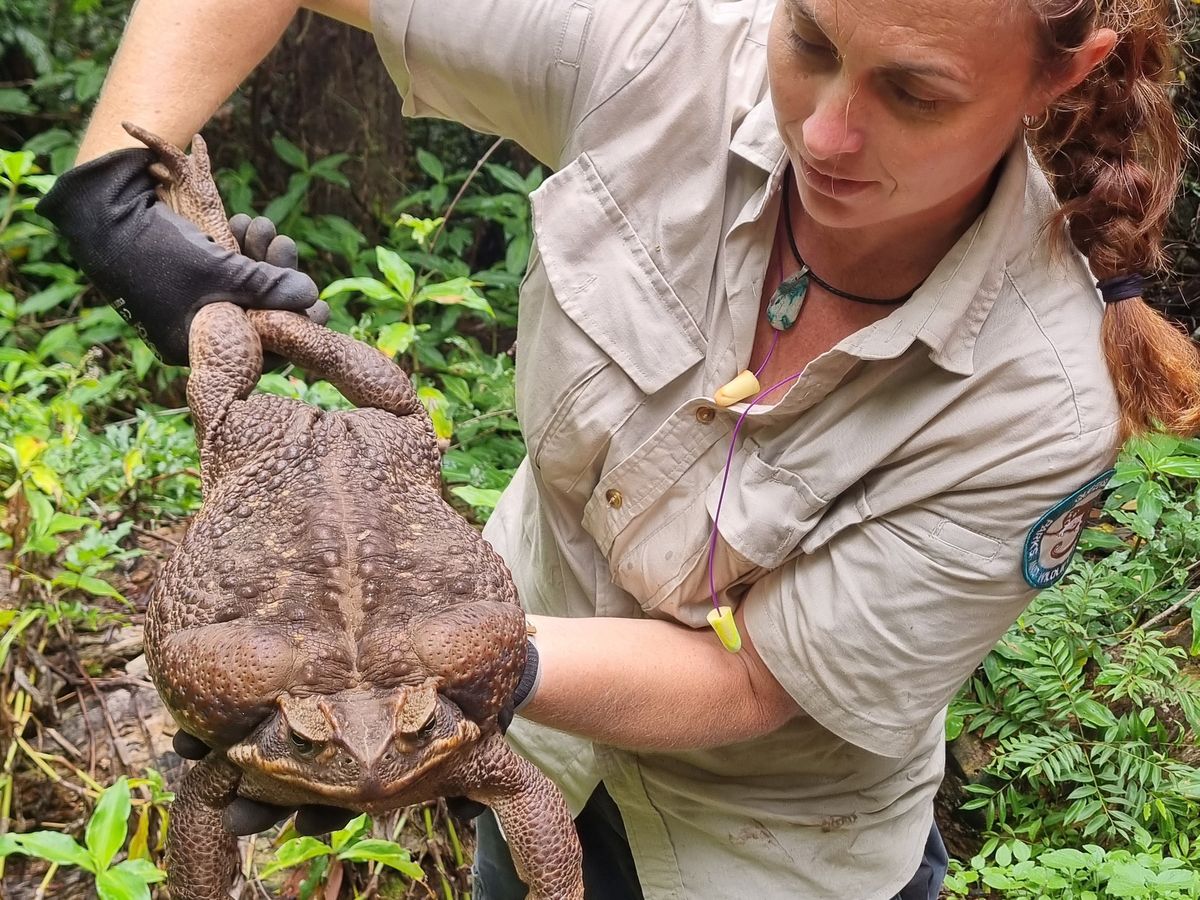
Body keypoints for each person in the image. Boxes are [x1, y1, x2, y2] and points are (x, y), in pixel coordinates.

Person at [36, 0, 1197, 897]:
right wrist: (112, 200)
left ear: (1065, 73)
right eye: (809, 39)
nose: (829, 129)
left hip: (767, 852)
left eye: (917, 92)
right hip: (529, 760)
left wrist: (419, 678)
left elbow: (757, 681)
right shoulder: (671, 52)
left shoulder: (1040, 399)